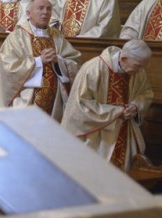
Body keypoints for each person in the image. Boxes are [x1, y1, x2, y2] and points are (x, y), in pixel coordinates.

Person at [61, 39, 152, 171]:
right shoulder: (93, 69)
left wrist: (136, 106)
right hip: (96, 135)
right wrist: (116, 112)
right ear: (124, 58)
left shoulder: (137, 71)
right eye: (137, 66)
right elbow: (80, 106)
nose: (140, 71)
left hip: (124, 132)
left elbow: (145, 92)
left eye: (143, 66)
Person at [0, 0, 81, 121]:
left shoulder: (57, 36)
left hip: (55, 103)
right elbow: (8, 68)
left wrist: (59, 60)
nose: (45, 12)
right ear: (29, 13)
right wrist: (39, 61)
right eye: (40, 8)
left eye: (49, 9)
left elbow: (75, 61)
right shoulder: (17, 36)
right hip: (26, 100)